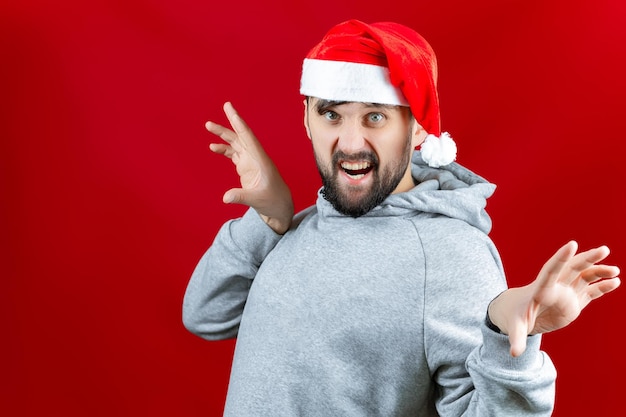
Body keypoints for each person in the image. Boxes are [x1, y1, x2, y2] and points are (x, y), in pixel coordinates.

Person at [182, 19, 620, 416]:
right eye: (331, 114)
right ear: (306, 119)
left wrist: (508, 342)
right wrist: (268, 218)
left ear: (419, 129)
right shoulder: (304, 226)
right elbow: (206, 316)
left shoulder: (449, 256)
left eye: (376, 117)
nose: (350, 143)